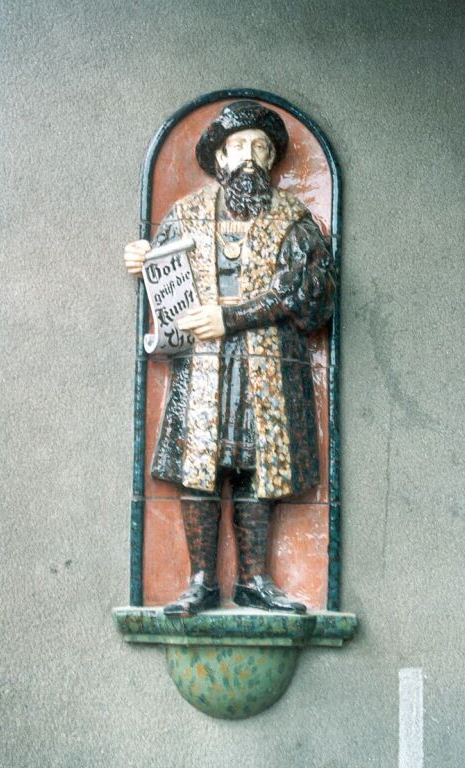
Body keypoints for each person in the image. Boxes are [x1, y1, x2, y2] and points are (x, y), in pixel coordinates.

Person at [124, 100, 334, 617]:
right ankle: (200, 581)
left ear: (271, 162)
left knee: (256, 467)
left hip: (268, 366)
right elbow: (164, 275)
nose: (250, 158)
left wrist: (231, 317)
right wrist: (142, 259)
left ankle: (253, 580)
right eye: (239, 146)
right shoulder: (188, 213)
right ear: (220, 157)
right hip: (200, 365)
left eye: (260, 148)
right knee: (199, 468)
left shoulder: (294, 218)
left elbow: (307, 294)